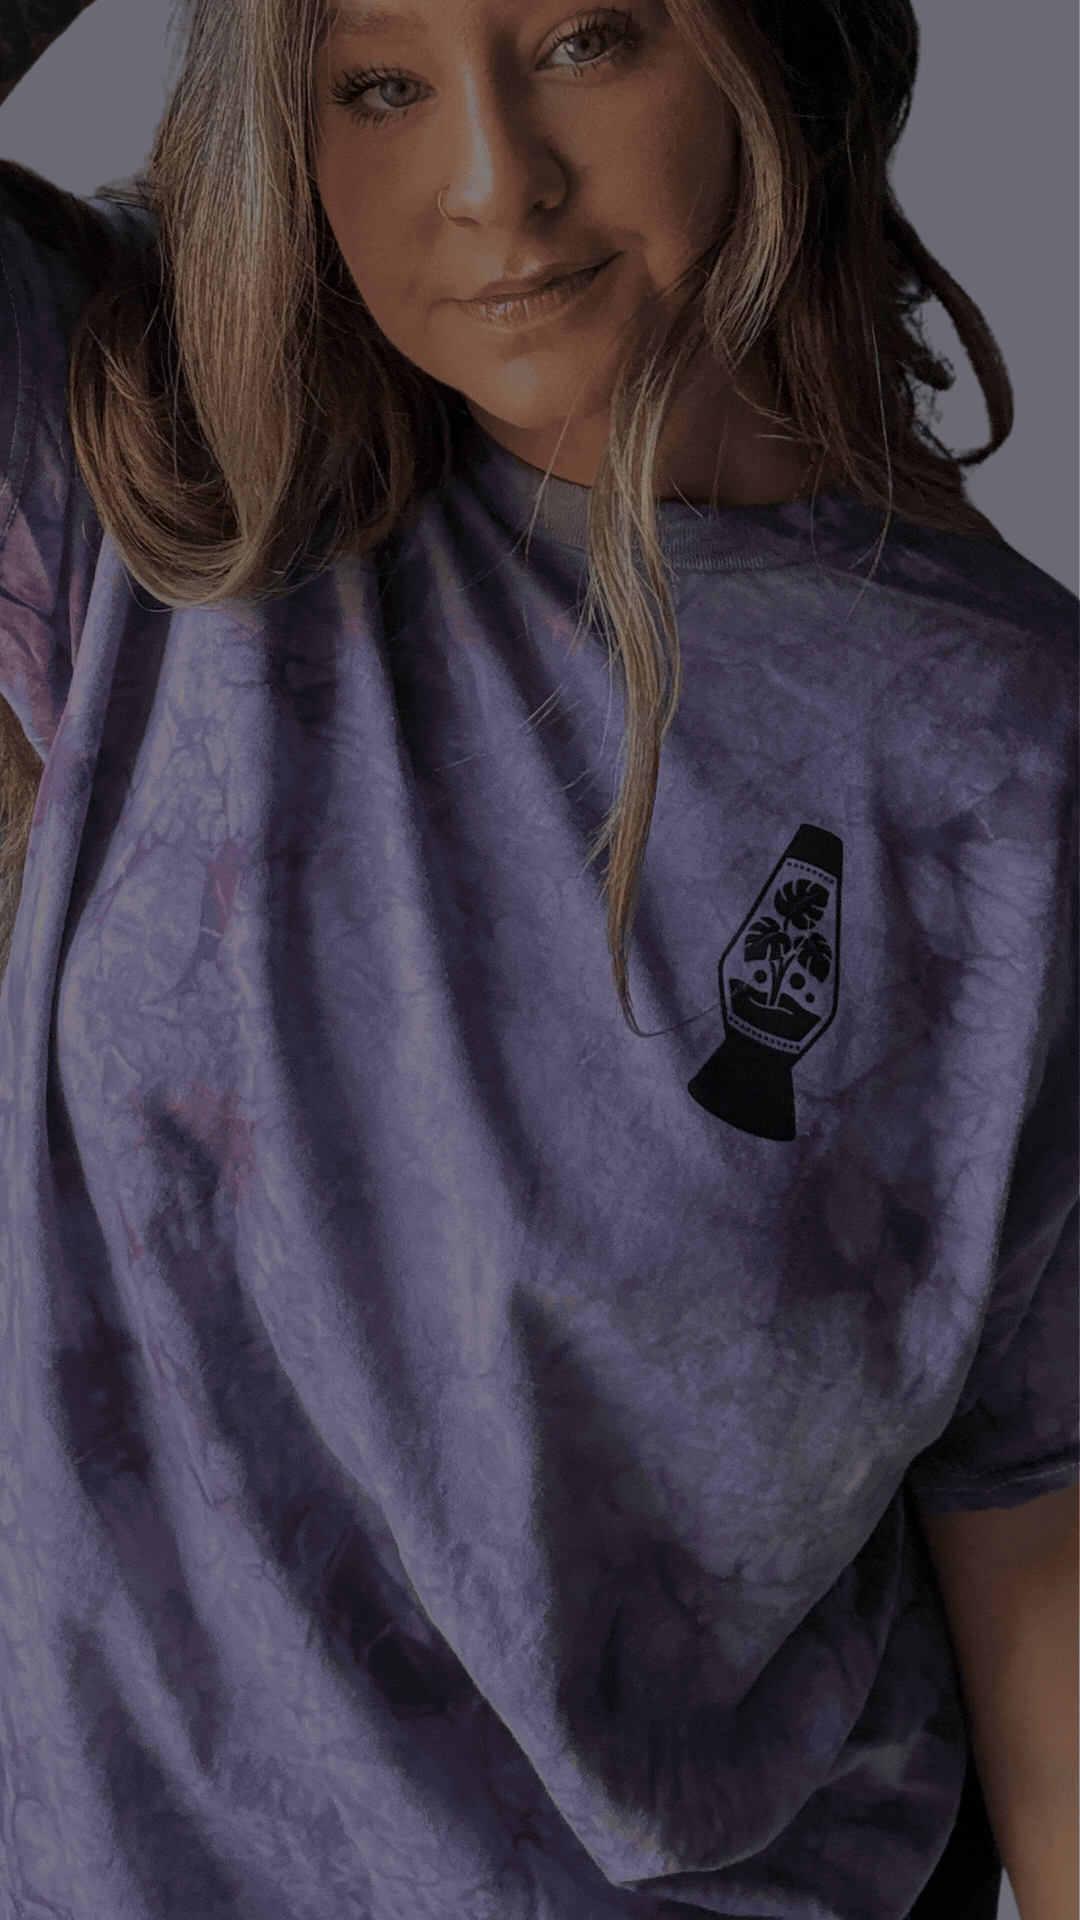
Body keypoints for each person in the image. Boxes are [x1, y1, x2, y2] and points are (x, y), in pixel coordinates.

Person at [0, 1, 1075, 1915]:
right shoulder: (164, 465)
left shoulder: (1012, 758)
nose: (495, 183)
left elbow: (1040, 1547)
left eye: (587, 39)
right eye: (381, 85)